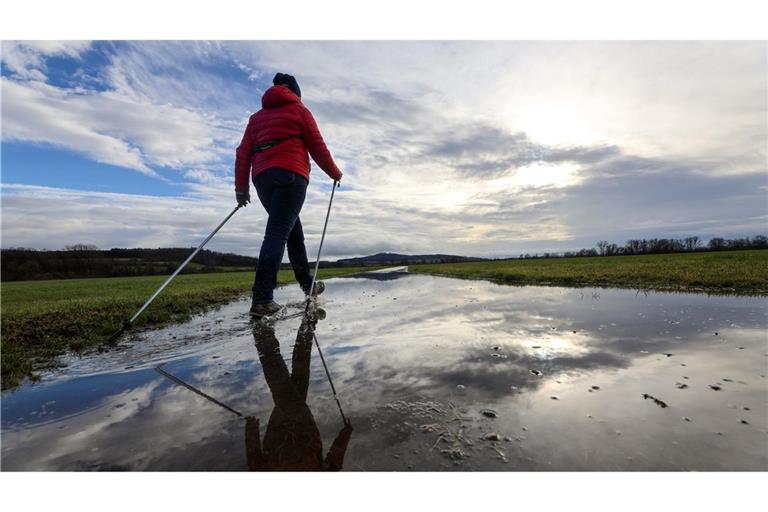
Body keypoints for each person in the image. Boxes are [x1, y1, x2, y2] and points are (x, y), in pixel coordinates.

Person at [235, 73, 343, 317]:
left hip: (263, 179)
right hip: (291, 176)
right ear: (295, 92)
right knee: (278, 234)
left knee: (293, 233)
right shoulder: (299, 110)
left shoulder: (256, 118)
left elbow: (243, 153)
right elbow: (317, 146)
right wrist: (335, 173)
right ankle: (262, 298)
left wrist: (241, 189)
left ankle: (308, 286)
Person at [245, 314, 353, 470]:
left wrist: (252, 430)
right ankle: (303, 328)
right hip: (301, 433)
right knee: (296, 382)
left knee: (286, 383)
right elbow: (334, 465)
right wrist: (345, 434)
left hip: (286, 438)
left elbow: (255, 464)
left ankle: (264, 330)